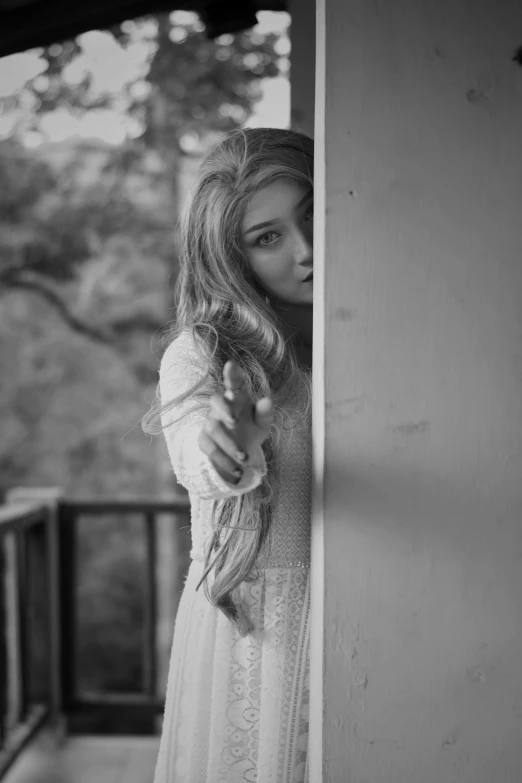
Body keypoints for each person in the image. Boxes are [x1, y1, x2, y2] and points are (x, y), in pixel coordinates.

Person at [142, 127, 314, 783]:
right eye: (267, 237)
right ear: (231, 257)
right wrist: (229, 455)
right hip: (256, 633)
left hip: (372, 609)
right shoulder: (202, 353)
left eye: (309, 218)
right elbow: (193, 450)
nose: (306, 251)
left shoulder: (369, 334)